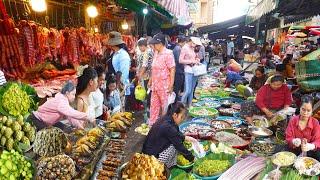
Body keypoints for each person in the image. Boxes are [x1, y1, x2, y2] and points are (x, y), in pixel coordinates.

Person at [142, 102, 196, 168]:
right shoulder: (168, 126)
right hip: (152, 156)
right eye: (181, 117)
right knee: (174, 146)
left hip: (150, 150)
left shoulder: (167, 118)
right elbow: (179, 145)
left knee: (175, 142)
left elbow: (175, 133)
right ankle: (165, 166)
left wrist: (185, 137)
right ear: (175, 115)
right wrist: (192, 158)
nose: (182, 120)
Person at [148, 33, 176, 125]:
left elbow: (172, 69)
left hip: (164, 85)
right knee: (154, 106)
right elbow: (153, 68)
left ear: (161, 43)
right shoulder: (156, 53)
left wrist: (171, 85)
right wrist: (150, 80)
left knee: (165, 107)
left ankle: (164, 126)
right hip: (155, 85)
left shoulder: (168, 53)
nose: (154, 46)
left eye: (155, 44)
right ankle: (153, 125)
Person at [286, 95, 320, 160]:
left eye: (308, 110)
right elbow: (288, 137)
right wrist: (293, 141)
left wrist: (311, 146)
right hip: (295, 150)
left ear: (312, 111)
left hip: (310, 152)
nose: (305, 113)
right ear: (300, 108)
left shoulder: (315, 123)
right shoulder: (293, 120)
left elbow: (318, 140)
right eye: (303, 109)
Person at [179, 37, 202, 107]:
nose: (196, 46)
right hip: (188, 70)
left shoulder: (192, 48)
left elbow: (194, 58)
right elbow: (180, 60)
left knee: (192, 90)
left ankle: (189, 105)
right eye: (195, 44)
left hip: (194, 70)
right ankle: (181, 107)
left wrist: (197, 60)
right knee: (187, 90)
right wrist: (192, 61)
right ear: (191, 41)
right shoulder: (184, 48)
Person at [107, 31, 131, 97]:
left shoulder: (123, 55)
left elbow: (124, 74)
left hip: (120, 87)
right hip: (114, 85)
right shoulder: (114, 53)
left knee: (120, 106)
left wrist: (119, 87)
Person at [136, 38, 153, 121]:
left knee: (147, 94)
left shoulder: (146, 53)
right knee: (149, 93)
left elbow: (144, 66)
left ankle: (148, 113)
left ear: (143, 46)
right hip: (149, 76)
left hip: (147, 76)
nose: (139, 49)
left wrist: (139, 75)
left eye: (139, 47)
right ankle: (149, 111)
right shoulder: (150, 51)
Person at [173, 35, 186, 101]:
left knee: (178, 86)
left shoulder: (177, 48)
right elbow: (179, 61)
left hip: (178, 70)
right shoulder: (178, 49)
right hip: (178, 70)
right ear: (183, 42)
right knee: (177, 86)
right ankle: (176, 100)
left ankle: (176, 99)